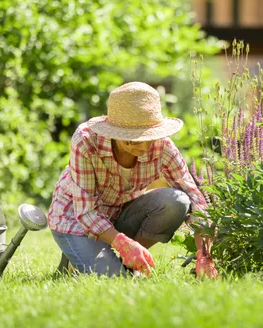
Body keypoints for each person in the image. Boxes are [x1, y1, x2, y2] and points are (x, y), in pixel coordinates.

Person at [48, 81, 218, 278]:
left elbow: (195, 199)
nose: (145, 147)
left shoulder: (163, 146)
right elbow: (86, 212)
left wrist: (204, 254)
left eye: (150, 137)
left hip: (119, 215)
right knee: (114, 279)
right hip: (75, 220)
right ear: (114, 132)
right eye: (134, 139)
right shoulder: (86, 141)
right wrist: (122, 244)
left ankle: (129, 263)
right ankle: (77, 258)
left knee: (177, 201)